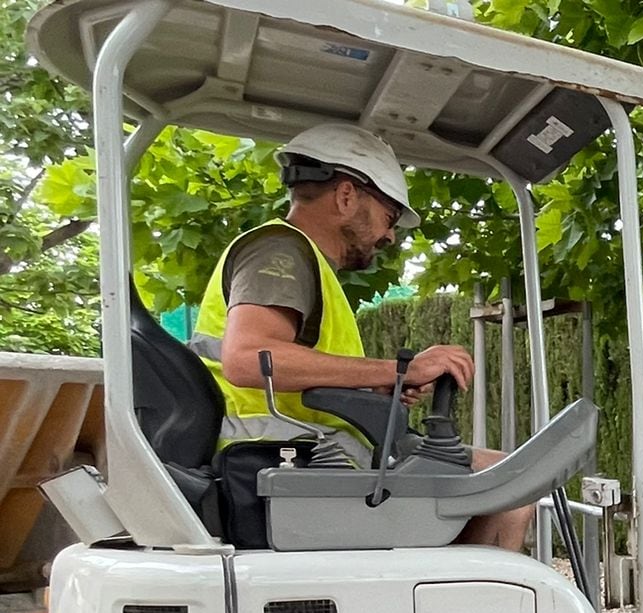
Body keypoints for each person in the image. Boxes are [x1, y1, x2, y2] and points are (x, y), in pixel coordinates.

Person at [189, 123, 532, 550]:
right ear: (348, 195)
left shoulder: (304, 261)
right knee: (507, 486)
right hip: (284, 467)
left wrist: (375, 384)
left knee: (501, 477)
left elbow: (296, 371)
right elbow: (246, 358)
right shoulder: (280, 250)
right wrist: (400, 369)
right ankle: (475, 611)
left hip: (305, 464)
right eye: (388, 217)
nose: (389, 235)